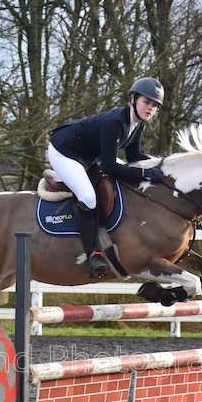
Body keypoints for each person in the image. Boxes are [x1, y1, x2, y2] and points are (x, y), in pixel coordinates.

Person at [48, 76, 166, 278]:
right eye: (147, 102)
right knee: (88, 197)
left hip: (88, 155)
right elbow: (110, 167)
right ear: (133, 99)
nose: (150, 109)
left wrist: (161, 163)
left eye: (155, 106)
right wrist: (145, 174)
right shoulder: (116, 122)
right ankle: (93, 253)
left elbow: (133, 157)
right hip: (65, 151)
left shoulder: (138, 123)